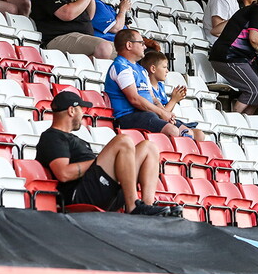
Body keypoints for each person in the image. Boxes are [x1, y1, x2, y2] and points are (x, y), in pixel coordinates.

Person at [34, 91, 171, 216]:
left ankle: (146, 207)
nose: (83, 114)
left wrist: (105, 161)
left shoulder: (75, 138)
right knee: (123, 141)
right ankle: (133, 206)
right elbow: (64, 174)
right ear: (71, 111)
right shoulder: (52, 136)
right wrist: (99, 161)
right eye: (81, 109)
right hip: (81, 194)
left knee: (149, 147)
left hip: (102, 188)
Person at [106, 29, 195, 137]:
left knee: (189, 133)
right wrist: (161, 113)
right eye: (141, 43)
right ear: (129, 45)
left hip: (147, 115)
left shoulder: (141, 70)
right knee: (172, 131)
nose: (145, 47)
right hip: (128, 117)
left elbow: (153, 98)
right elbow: (135, 99)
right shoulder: (121, 66)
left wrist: (165, 113)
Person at [209, 0, 258, 114]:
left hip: (239, 59)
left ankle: (245, 121)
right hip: (228, 56)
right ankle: (232, 121)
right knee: (255, 89)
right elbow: (254, 38)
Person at [140, 50, 205, 141]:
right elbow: (160, 115)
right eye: (164, 67)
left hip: (166, 120)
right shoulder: (146, 88)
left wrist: (175, 99)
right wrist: (173, 100)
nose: (167, 71)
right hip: (157, 122)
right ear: (153, 69)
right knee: (186, 133)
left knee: (199, 134)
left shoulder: (161, 86)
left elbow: (166, 111)